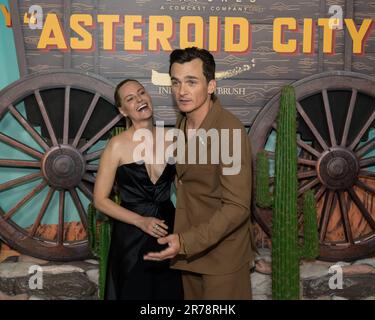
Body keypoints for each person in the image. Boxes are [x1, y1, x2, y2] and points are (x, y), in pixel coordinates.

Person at [144, 47, 255, 299]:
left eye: (191, 82)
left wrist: (185, 241)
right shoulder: (183, 123)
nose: (181, 91)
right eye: (176, 82)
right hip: (189, 253)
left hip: (222, 257)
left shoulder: (229, 131)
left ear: (211, 85)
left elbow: (237, 207)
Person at [93, 79, 183, 300]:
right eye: (130, 98)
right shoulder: (116, 145)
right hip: (131, 237)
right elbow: (100, 200)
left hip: (167, 231)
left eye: (141, 93)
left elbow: (182, 188)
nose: (139, 99)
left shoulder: (173, 139)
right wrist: (140, 221)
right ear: (123, 110)